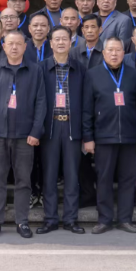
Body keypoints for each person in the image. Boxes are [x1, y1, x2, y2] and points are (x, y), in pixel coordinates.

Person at [0, 30, 47, 238]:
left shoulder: (35, 70)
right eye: (10, 44)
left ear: (25, 47)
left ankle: (22, 221)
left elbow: (41, 102)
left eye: (19, 44)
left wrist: (36, 131)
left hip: (25, 136)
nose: (15, 47)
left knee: (23, 181)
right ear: (4, 46)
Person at [83, 37, 136, 234]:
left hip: (129, 137)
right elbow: (87, 109)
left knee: (128, 179)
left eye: (118, 50)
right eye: (110, 50)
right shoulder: (92, 75)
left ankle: (125, 219)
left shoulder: (134, 75)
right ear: (104, 53)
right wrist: (88, 137)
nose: (114, 54)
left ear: (124, 53)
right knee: (104, 179)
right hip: (103, 136)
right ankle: (104, 219)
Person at [38, 26, 87, 234]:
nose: (60, 42)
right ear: (50, 43)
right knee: (49, 175)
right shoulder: (41, 68)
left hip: (72, 127)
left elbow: (86, 103)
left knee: (72, 175)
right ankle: (50, 219)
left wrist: (86, 133)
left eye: (64, 39)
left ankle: (70, 219)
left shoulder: (80, 69)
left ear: (71, 42)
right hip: (49, 128)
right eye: (56, 39)